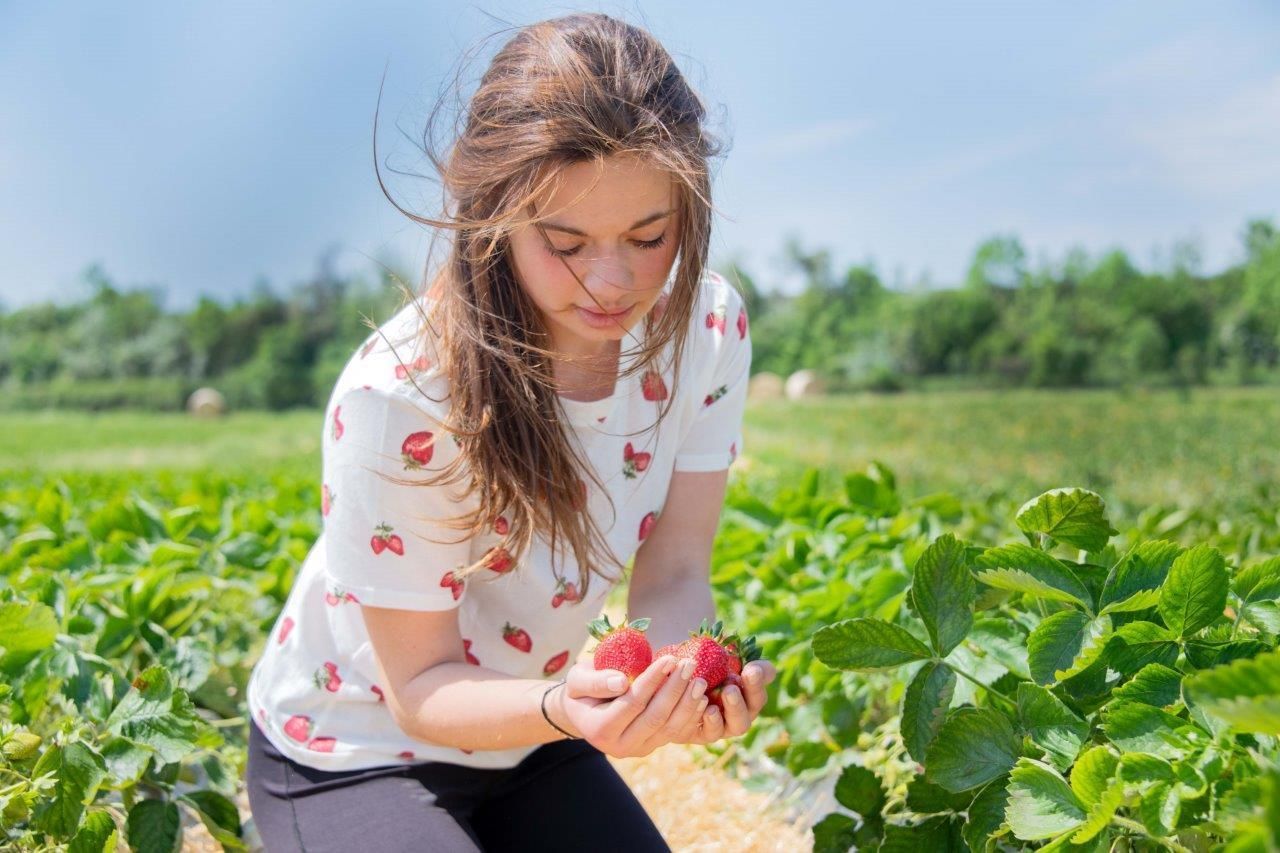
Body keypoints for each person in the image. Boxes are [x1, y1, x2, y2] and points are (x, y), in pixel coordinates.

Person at [244, 12, 776, 852]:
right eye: (566, 243)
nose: (612, 280)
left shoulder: (706, 332)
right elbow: (419, 686)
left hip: (535, 737)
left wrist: (675, 682)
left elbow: (675, 571)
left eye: (650, 236)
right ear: (493, 215)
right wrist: (563, 704)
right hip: (358, 746)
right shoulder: (404, 395)